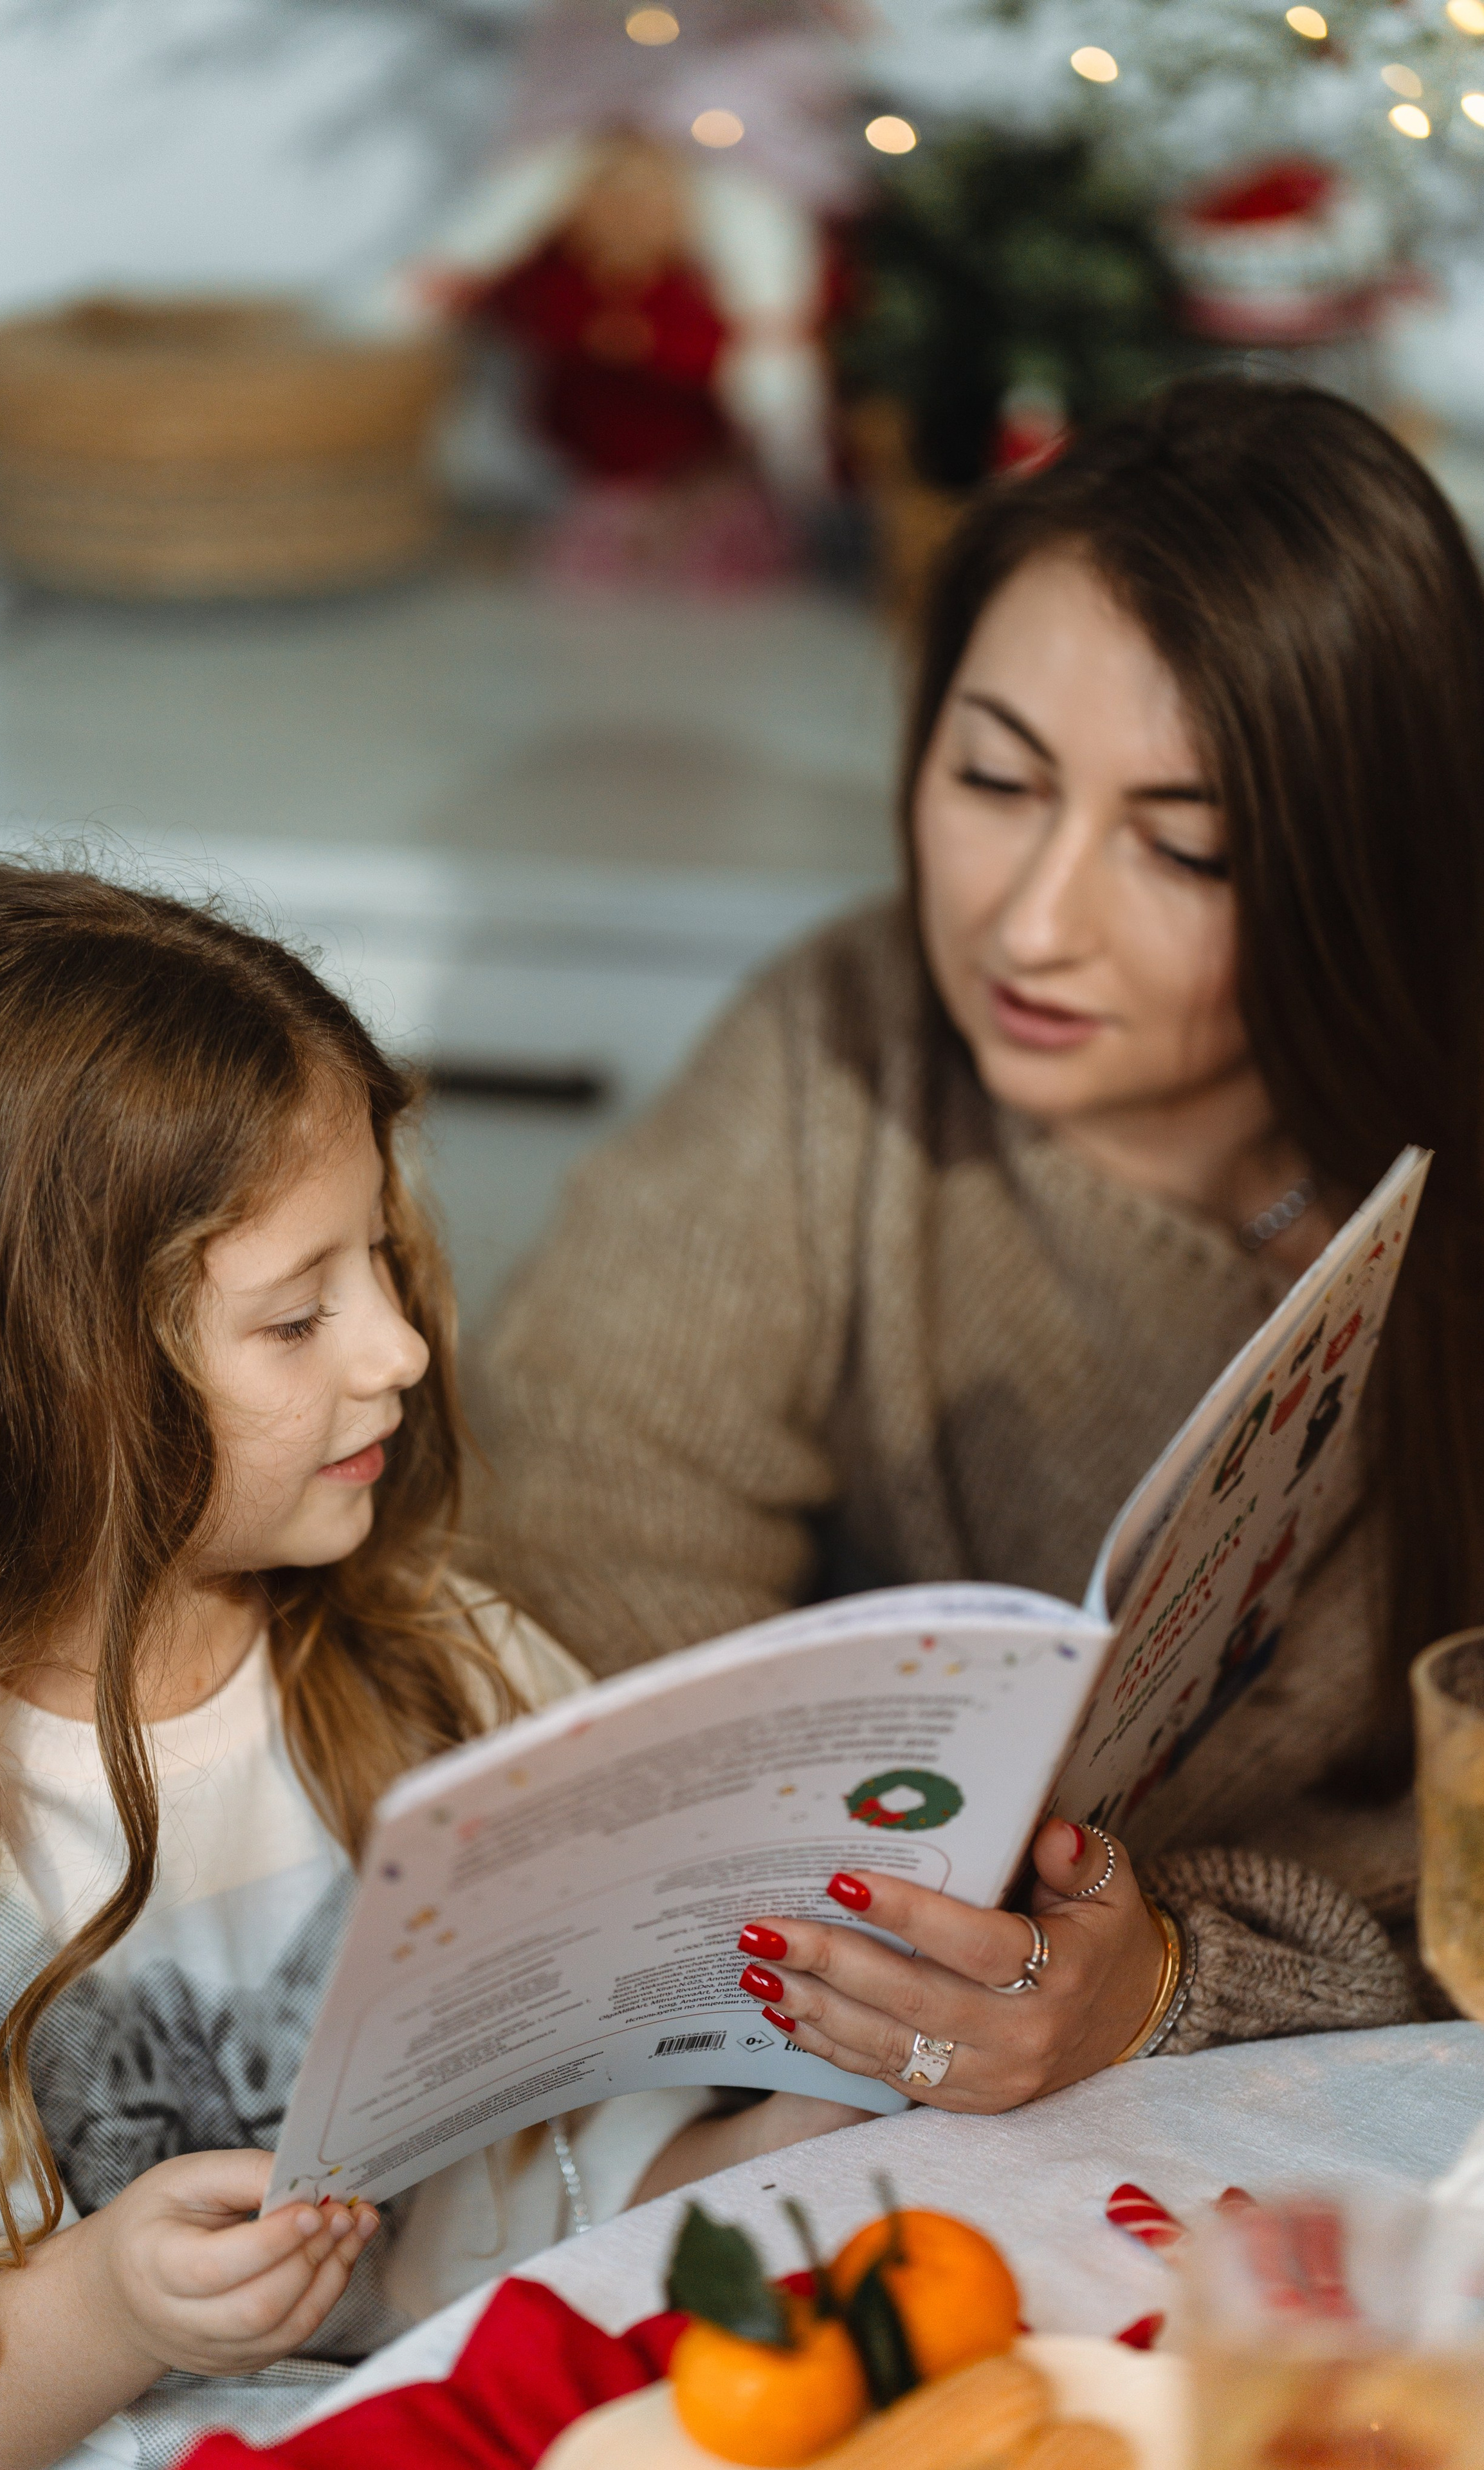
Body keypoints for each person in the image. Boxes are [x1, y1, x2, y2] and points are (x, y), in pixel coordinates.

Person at [472, 376, 1484, 2108]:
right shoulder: (844, 1047)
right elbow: (570, 1544)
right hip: (867, 2073)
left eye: (1184, 845)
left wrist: (1172, 1974)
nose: (1031, 922)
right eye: (994, 778)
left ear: (1359, 860)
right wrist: (896, 1924)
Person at [0, 865, 863, 2470]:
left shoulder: (455, 1672)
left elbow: (591, 2211)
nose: (398, 1349)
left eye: (381, 1265)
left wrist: (812, 2111)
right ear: (39, 1381)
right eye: (298, 1316)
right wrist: (105, 2312)